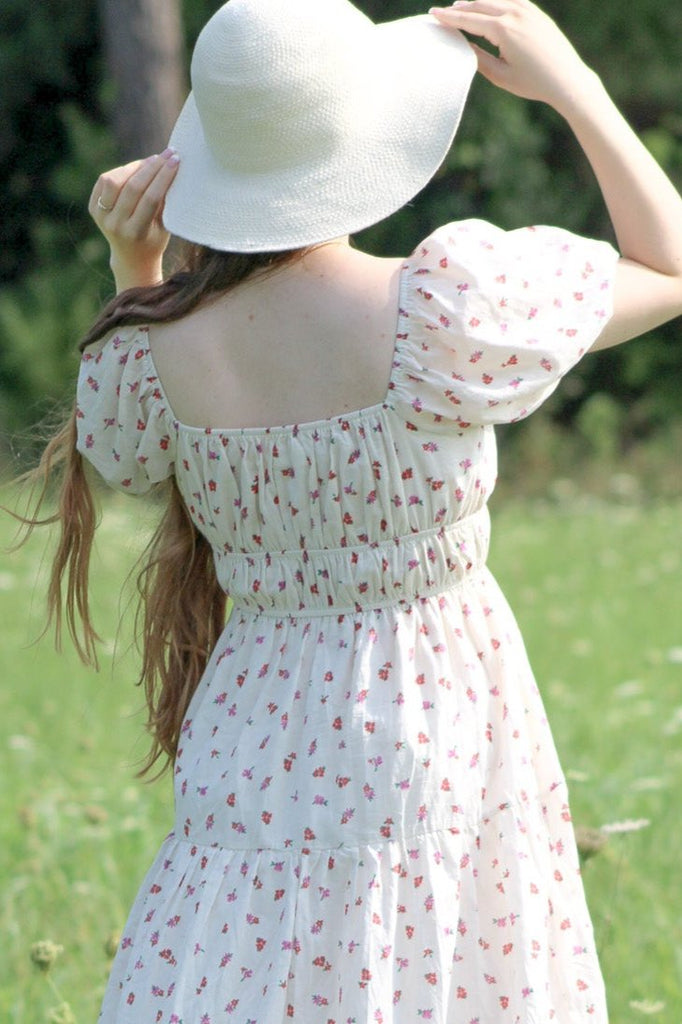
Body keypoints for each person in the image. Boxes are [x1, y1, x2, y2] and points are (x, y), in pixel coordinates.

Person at [16, 0, 682, 1020]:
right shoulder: (438, 309)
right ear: (360, 144)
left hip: (252, 717)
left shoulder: (148, 352)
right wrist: (574, 89)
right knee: (421, 961)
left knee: (258, 968)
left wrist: (135, 269)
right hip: (430, 710)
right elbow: (670, 265)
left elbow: (124, 457)